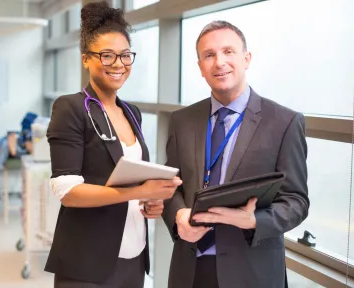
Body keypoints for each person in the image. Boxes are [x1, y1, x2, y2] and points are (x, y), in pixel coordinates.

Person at [162, 20, 309, 288]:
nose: (219, 62)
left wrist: (254, 220)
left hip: (251, 273)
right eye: (209, 55)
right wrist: (178, 216)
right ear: (200, 68)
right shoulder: (182, 120)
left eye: (228, 51)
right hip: (190, 270)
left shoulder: (284, 122)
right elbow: (171, 186)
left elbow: (296, 201)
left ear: (246, 58)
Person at [44, 1, 181, 287]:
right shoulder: (71, 108)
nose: (118, 64)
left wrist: (149, 200)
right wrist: (137, 191)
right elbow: (67, 191)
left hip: (134, 256)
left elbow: (130, 177)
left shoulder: (132, 112)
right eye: (107, 56)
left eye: (125, 55)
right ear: (86, 59)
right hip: (87, 263)